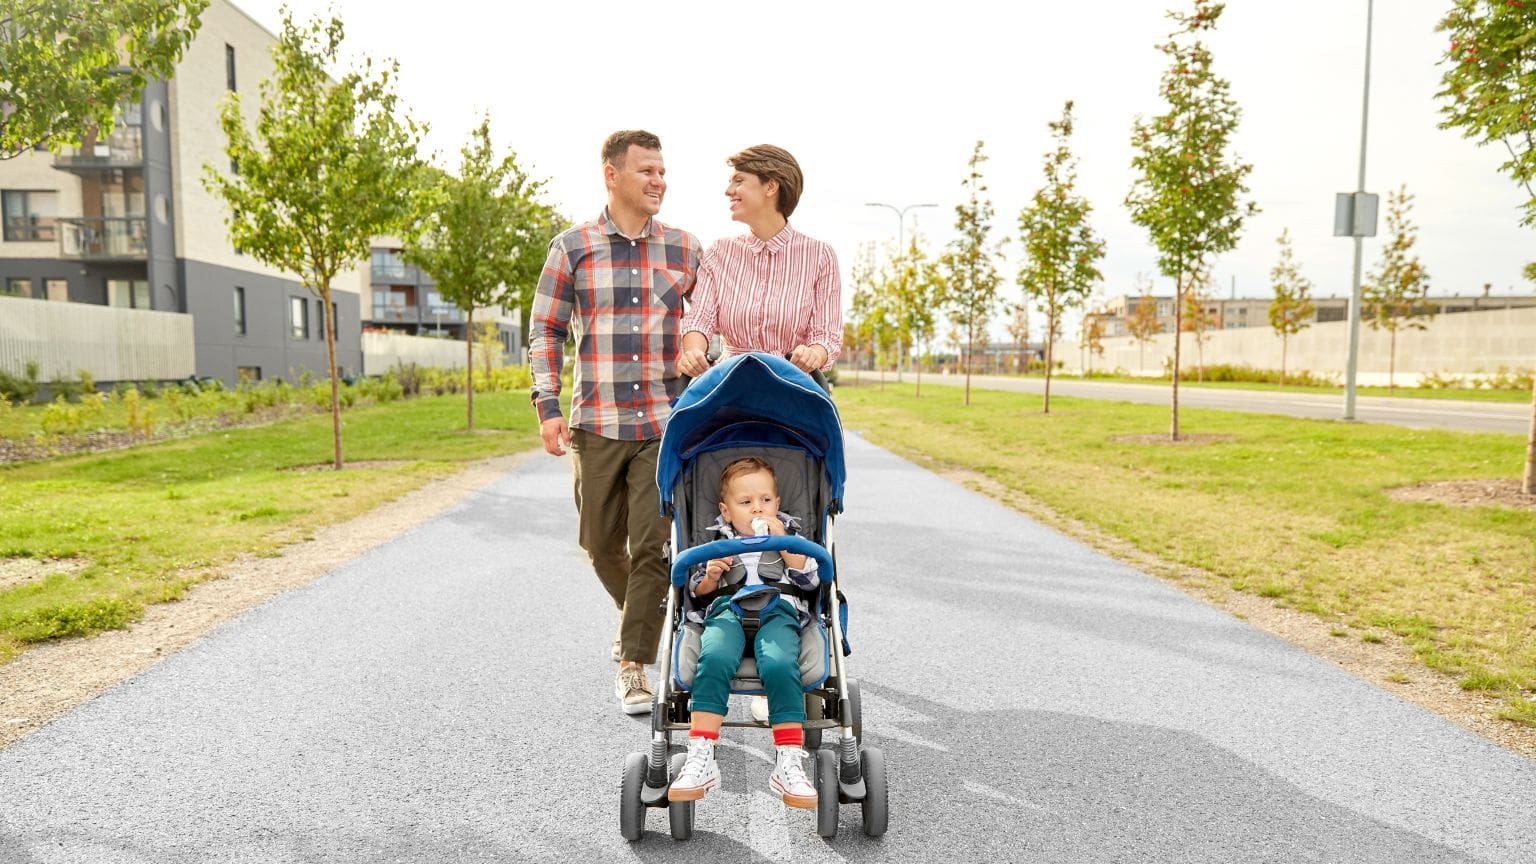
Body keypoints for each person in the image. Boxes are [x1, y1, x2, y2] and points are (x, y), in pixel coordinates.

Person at [528, 130, 701, 715]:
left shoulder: (685, 249)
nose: (659, 181)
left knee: (652, 546)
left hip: (662, 419)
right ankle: (639, 617)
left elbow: (709, 326)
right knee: (599, 544)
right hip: (596, 420)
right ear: (612, 174)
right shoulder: (571, 247)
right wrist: (547, 405)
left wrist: (704, 364)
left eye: (662, 171)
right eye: (647, 170)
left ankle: (634, 665)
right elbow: (546, 332)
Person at [667, 457, 820, 808]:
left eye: (765, 500)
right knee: (715, 656)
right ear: (726, 510)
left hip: (780, 610)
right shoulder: (715, 542)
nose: (757, 509)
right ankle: (701, 752)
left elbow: (812, 580)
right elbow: (696, 593)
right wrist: (710, 577)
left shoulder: (790, 538)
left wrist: (786, 545)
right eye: (746, 502)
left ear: (777, 504)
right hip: (726, 609)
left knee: (781, 664)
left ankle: (788, 760)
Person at [675, 144, 842, 379]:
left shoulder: (820, 256)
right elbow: (700, 318)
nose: (728, 190)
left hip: (792, 386)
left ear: (771, 186)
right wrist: (693, 353)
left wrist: (813, 354)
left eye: (739, 181)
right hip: (730, 386)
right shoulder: (719, 253)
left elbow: (826, 335)